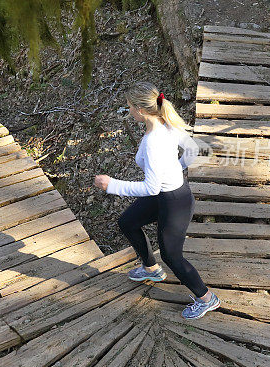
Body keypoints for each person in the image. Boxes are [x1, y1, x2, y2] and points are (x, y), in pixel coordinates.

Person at [93, 82, 220, 320]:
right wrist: (177, 167)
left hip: (174, 201)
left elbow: (150, 187)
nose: (128, 111)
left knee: (172, 256)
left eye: (130, 107)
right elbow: (192, 149)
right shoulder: (165, 123)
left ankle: (206, 298)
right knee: (128, 222)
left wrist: (112, 185)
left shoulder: (153, 142)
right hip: (166, 193)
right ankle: (150, 269)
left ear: (141, 110)